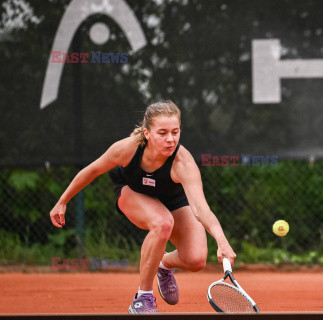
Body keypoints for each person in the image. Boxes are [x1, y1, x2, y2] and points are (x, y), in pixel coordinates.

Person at [49, 100, 236, 314]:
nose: (170, 139)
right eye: (162, 133)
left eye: (175, 132)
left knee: (195, 260)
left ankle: (162, 265)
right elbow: (91, 171)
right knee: (162, 223)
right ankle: (142, 299)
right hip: (132, 190)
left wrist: (221, 241)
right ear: (147, 133)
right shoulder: (127, 149)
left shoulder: (183, 163)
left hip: (173, 199)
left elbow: (201, 209)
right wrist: (62, 201)